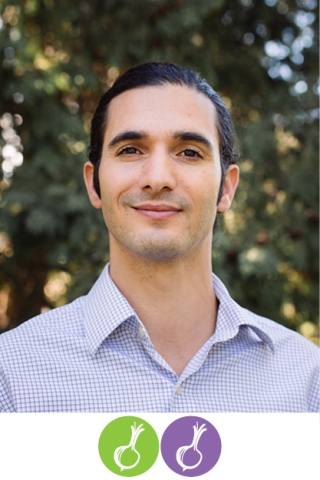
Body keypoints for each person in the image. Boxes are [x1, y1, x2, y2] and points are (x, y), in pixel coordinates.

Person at [0, 63, 318, 412]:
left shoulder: (305, 380)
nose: (157, 178)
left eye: (189, 152)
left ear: (226, 188)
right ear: (95, 184)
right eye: (131, 150)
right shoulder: (13, 375)